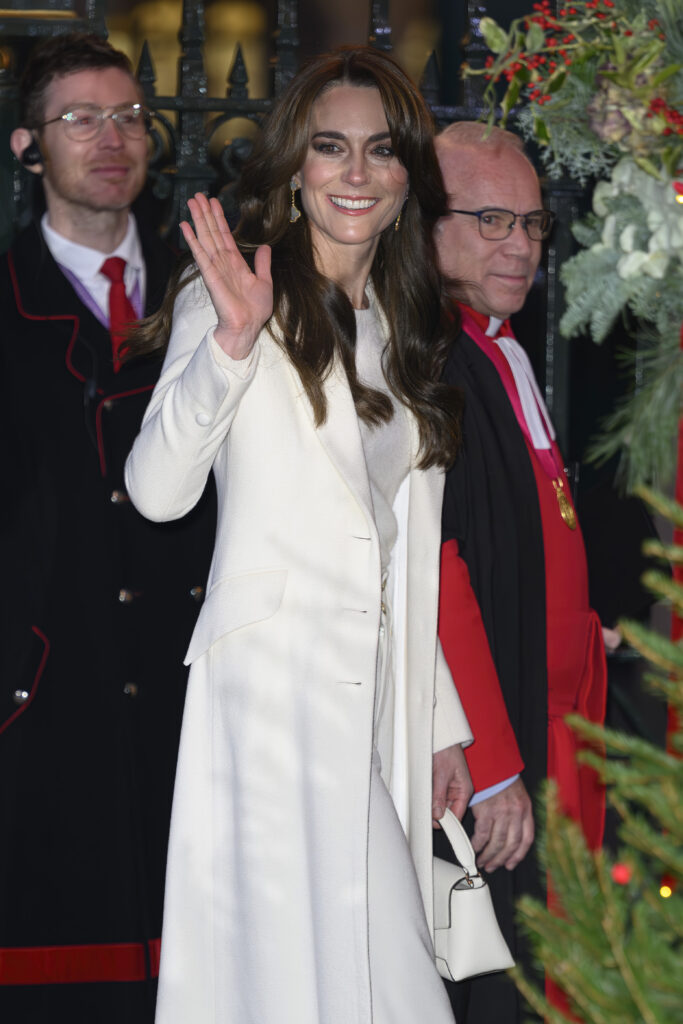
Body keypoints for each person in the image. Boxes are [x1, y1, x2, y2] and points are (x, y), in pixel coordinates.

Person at [124, 46, 474, 1024]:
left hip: (371, 707)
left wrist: (440, 721)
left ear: (407, 179)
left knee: (369, 986)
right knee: (320, 988)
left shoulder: (400, 327)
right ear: (293, 168)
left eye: (378, 151)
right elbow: (155, 492)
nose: (354, 173)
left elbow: (394, 550)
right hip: (270, 699)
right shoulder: (232, 300)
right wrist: (231, 347)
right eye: (329, 148)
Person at [0, 33, 214, 1024]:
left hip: (200, 698)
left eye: (129, 115)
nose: (112, 137)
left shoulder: (211, 286)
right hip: (49, 711)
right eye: (78, 117)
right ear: (26, 146)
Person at [433, 122, 607, 1023]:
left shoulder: (498, 341)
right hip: (496, 752)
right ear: (425, 225)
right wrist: (492, 764)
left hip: (558, 722)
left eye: (533, 223)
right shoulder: (428, 356)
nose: (520, 245)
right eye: (491, 218)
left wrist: (589, 630)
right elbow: (436, 567)